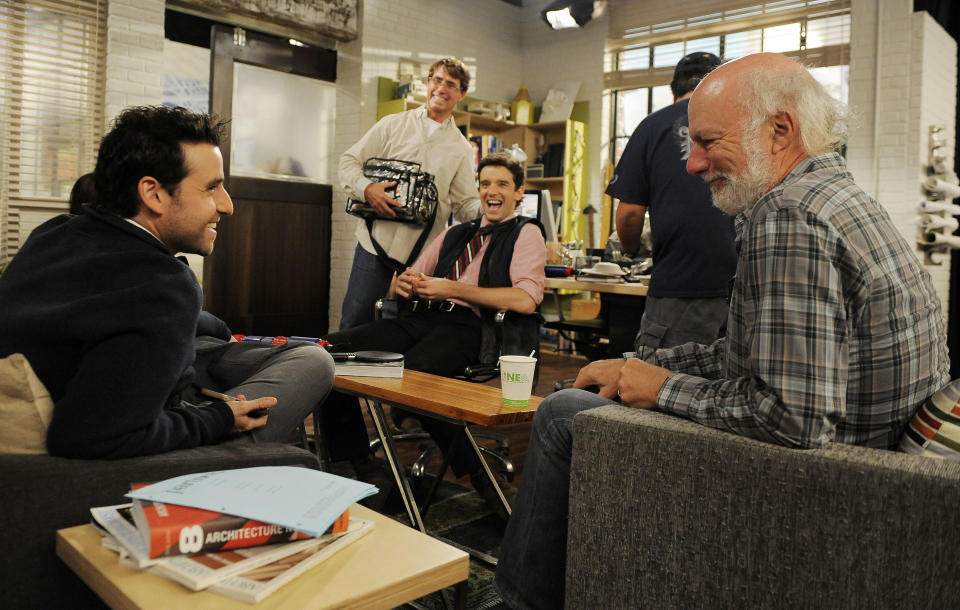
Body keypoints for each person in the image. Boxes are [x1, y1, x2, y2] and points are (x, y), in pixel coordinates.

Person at [495, 52, 950, 610]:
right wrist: (647, 368)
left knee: (561, 412)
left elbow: (793, 418)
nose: (692, 165)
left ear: (780, 130)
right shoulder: (837, 196)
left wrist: (661, 389)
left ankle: (520, 600)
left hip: (829, 486)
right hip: (878, 469)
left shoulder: (789, 217)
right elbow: (754, 354)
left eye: (709, 142)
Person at [0, 105, 335, 459]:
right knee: (304, 421)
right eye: (211, 188)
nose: (227, 206)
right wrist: (217, 419)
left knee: (285, 353)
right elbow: (89, 437)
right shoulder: (162, 286)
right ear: (153, 193)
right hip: (65, 470)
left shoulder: (55, 233)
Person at [323, 153, 546, 518]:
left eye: (503, 184)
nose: (492, 191)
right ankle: (357, 462)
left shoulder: (526, 233)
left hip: (474, 328)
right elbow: (401, 285)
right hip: (420, 318)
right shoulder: (456, 232)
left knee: (417, 373)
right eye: (486, 183)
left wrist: (453, 290)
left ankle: (481, 475)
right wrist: (405, 284)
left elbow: (524, 299)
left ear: (519, 193)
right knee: (327, 352)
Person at [606, 52, 736, 355]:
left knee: (660, 389)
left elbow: (629, 215)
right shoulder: (740, 127)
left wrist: (630, 250)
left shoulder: (652, 126)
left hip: (680, 286)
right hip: (743, 288)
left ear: (673, 90)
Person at [338, 57, 481, 330]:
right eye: (436, 80)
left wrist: (490, 206)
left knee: (406, 332)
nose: (441, 88)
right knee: (354, 324)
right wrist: (367, 190)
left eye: (450, 84)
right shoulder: (391, 124)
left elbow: (464, 205)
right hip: (373, 246)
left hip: (422, 257)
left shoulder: (462, 149)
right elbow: (348, 162)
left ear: (460, 94)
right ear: (428, 84)